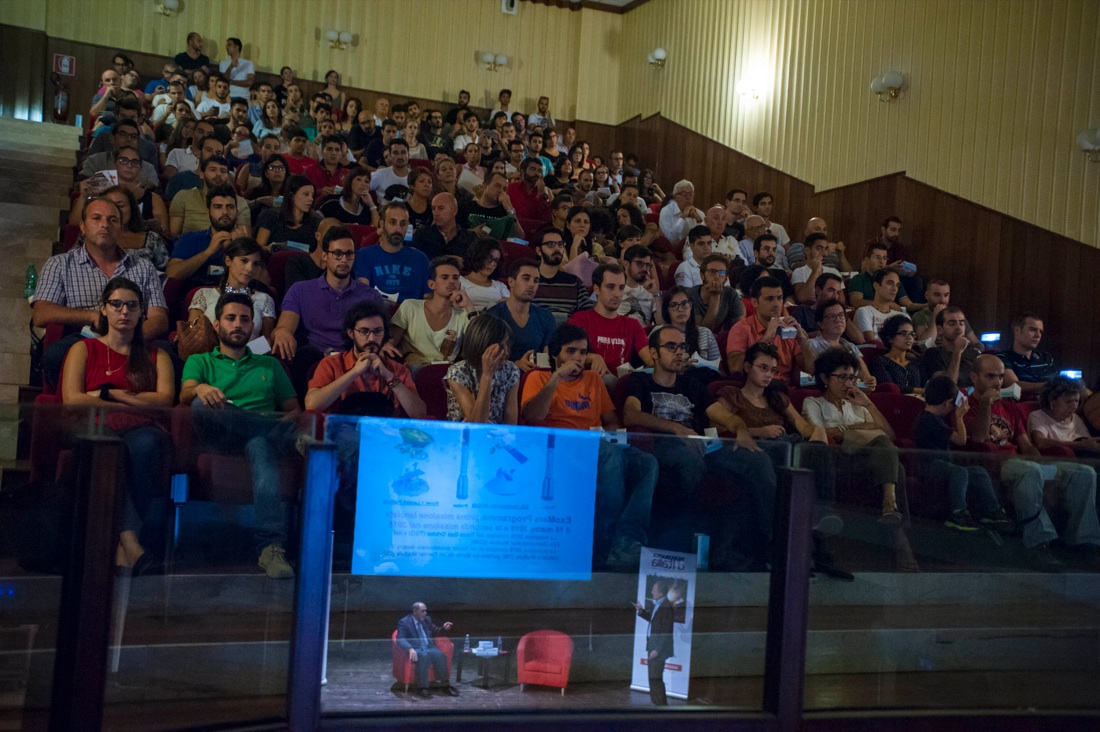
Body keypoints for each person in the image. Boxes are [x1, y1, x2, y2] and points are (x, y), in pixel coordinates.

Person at [624, 326, 778, 571]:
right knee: (687, 457)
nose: (679, 352)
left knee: (757, 460)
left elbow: (725, 417)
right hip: (663, 447)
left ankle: (769, 544)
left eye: (683, 347)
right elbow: (631, 414)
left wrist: (740, 428)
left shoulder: (692, 385)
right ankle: (687, 544)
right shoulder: (639, 380)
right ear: (653, 353)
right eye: (671, 346)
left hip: (703, 447)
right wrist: (675, 428)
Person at [181, 293, 300, 579]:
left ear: (252, 327)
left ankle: (270, 548)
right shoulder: (200, 361)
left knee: (260, 445)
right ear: (217, 323)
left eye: (245, 319)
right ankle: (289, 437)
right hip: (219, 436)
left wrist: (274, 427)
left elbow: (295, 410)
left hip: (259, 442)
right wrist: (200, 389)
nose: (238, 325)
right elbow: (185, 395)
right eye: (231, 318)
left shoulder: (269, 365)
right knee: (201, 404)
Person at [61, 277, 175, 574]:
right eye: (116, 304)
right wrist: (131, 399)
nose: (124, 311)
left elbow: (164, 400)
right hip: (94, 426)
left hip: (143, 429)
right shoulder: (83, 349)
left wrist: (106, 393)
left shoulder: (157, 355)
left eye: (132, 305)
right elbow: (73, 399)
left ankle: (123, 545)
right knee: (106, 444)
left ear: (141, 312)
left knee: (146, 444)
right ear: (103, 308)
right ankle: (129, 541)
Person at [521, 323, 655, 568]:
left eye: (583, 352)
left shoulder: (593, 379)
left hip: (597, 445)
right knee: (609, 455)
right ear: (555, 354)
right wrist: (556, 378)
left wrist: (614, 435)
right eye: (571, 351)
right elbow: (533, 416)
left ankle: (626, 539)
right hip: (559, 449)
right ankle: (603, 544)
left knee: (647, 462)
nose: (578, 358)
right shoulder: (538, 377)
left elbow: (612, 421)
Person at [966, 355, 1100, 571]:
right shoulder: (967, 402)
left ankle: (1084, 542)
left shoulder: (1009, 407)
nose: (997, 382)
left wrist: (1044, 464)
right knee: (1030, 471)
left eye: (1000, 377)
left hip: (1021, 462)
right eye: (990, 376)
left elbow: (1026, 444)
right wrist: (985, 405)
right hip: (996, 463)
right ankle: (1038, 543)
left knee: (1083, 472)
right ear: (974, 377)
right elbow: (979, 439)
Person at [34, 198, 169, 388]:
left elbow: (159, 318)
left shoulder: (143, 266)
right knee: (56, 355)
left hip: (134, 336)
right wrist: (92, 316)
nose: (105, 225)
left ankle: (142, 411)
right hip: (86, 336)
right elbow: (41, 313)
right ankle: (78, 409)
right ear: (82, 226)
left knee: (170, 357)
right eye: (96, 218)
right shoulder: (60, 264)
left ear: (120, 227)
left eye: (113, 220)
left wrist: (128, 338)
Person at [802, 348, 910, 528]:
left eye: (852, 378)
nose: (848, 383)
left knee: (891, 458)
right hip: (836, 460)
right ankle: (900, 536)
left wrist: (868, 404)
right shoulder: (813, 403)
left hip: (865, 460)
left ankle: (890, 509)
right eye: (842, 377)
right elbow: (818, 432)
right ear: (824, 378)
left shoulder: (858, 404)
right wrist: (856, 428)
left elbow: (889, 435)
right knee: (895, 467)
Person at [272, 226, 386, 393]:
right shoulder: (300, 290)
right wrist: (282, 331)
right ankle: (306, 412)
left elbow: (379, 335)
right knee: (305, 355)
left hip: (354, 357)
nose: (344, 260)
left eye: (349, 254)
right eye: (337, 254)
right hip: (314, 358)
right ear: (325, 255)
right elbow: (284, 327)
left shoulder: (370, 296)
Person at [912, 375, 1009, 532]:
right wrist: (959, 416)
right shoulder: (929, 420)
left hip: (943, 462)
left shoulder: (933, 418)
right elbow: (961, 440)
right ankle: (958, 514)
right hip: (928, 464)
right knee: (960, 472)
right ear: (948, 403)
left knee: (979, 472)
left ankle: (992, 511)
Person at [305, 302, 426, 418]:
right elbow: (312, 405)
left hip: (384, 435)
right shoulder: (331, 364)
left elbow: (420, 413)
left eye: (378, 331)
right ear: (351, 333)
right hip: (340, 434)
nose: (371, 338)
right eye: (364, 331)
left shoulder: (397, 369)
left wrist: (389, 377)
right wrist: (354, 372)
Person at [384, 256, 474, 367]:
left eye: (455, 278)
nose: (451, 282)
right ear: (431, 284)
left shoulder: (463, 315)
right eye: (445, 277)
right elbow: (391, 343)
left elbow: (480, 344)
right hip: (414, 367)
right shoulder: (410, 306)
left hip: (446, 372)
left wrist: (469, 306)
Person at [568, 264, 653, 377]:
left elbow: (649, 358)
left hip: (622, 385)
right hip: (588, 383)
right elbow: (569, 352)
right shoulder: (580, 320)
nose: (617, 294)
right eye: (610, 287)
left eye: (621, 288)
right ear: (596, 289)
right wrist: (593, 357)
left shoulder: (633, 325)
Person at [187, 237, 275, 345]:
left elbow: (267, 340)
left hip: (249, 359)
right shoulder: (204, 294)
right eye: (244, 260)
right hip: (210, 358)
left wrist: (241, 356)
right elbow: (193, 335)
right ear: (228, 261)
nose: (250, 269)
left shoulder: (264, 299)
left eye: (255, 264)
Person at [166, 184, 251, 293]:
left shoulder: (246, 243)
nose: (225, 212)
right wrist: (208, 251)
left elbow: (264, 282)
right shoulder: (191, 238)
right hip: (197, 297)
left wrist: (240, 251)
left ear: (237, 212)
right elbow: (172, 274)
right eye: (218, 207)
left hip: (237, 297)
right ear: (208, 212)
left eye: (230, 207)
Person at [726, 276, 813, 382]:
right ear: (754, 302)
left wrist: (802, 340)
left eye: (780, 298)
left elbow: (811, 370)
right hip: (754, 384)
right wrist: (765, 339)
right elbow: (735, 368)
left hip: (784, 387)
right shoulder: (741, 328)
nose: (777, 304)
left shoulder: (789, 328)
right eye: (769, 299)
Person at [73, 185, 169, 275]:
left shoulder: (152, 238)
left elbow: (165, 272)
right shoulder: (90, 235)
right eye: (109, 205)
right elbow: (71, 262)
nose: (115, 210)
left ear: (132, 209)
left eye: (120, 206)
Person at [444, 313, 519, 424]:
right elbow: (478, 424)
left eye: (507, 344)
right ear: (482, 344)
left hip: (498, 435)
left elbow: (511, 421)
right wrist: (487, 375)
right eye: (500, 346)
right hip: (465, 435)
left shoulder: (510, 370)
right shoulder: (457, 372)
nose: (506, 351)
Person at [353, 202, 431, 302]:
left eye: (403, 224)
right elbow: (362, 293)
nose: (398, 229)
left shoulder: (421, 259)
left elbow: (428, 299)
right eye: (392, 222)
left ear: (408, 226)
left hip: (411, 314)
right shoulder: (364, 255)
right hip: (376, 312)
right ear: (382, 224)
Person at [486, 259, 557, 368]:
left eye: (536, 280)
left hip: (534, 375)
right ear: (511, 282)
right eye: (526, 278)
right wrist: (516, 364)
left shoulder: (546, 317)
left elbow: (547, 356)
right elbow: (486, 357)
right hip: (500, 375)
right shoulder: (493, 315)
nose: (531, 284)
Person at [169, 154, 251, 236]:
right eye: (213, 170)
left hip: (228, 246)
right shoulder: (183, 197)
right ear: (201, 174)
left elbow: (245, 239)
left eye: (223, 171)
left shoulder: (239, 202)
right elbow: (174, 236)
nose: (218, 174)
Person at [806, 299, 876, 388]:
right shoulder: (812, 344)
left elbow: (865, 377)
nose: (838, 320)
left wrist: (870, 382)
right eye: (832, 316)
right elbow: (813, 375)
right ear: (820, 324)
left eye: (841, 315)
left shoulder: (850, 346)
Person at [395, 602, 459, 698]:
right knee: (424, 657)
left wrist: (443, 628)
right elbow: (400, 638)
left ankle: (445, 685)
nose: (425, 613)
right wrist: (410, 648)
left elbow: (437, 631)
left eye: (425, 611)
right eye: (422, 611)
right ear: (414, 611)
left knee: (441, 656)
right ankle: (423, 688)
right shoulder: (404, 622)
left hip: (429, 647)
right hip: (417, 649)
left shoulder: (427, 620)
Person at [1027, 376, 1100, 458]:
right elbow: (1040, 442)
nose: (1074, 407)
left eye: (1076, 401)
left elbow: (1087, 442)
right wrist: (1078, 445)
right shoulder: (1038, 416)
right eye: (1068, 402)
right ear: (1052, 400)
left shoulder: (1075, 418)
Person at [531, 227, 591, 322]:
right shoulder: (529, 280)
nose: (557, 248)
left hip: (567, 332)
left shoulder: (574, 283)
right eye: (550, 244)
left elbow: (588, 314)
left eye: (560, 244)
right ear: (538, 251)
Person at [919, 306, 987, 389]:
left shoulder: (974, 353)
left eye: (961, 323)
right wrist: (957, 351)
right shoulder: (933, 353)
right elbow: (946, 387)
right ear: (940, 329)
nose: (959, 328)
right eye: (952, 324)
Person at [80, 120, 160, 190]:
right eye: (123, 134)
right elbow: (81, 185)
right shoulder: (95, 160)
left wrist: (149, 187)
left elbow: (155, 192)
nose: (129, 139)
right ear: (112, 138)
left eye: (133, 137)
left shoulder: (149, 168)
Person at [848, 242, 925, 312]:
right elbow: (856, 302)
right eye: (878, 257)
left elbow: (909, 305)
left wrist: (928, 305)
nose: (881, 261)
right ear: (867, 260)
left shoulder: (894, 281)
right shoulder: (859, 279)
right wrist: (885, 304)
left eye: (884, 258)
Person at [632, 579, 675, 706]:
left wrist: (657, 649)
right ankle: (656, 703)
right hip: (652, 645)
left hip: (658, 648)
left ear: (661, 592)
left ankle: (662, 706)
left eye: (654, 590)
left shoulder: (666, 606)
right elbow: (653, 620)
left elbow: (666, 630)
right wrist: (641, 611)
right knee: (652, 677)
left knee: (656, 678)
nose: (652, 592)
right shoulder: (659, 604)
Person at [998, 313, 1060, 393]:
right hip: (1020, 404)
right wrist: (1048, 386)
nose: (1038, 335)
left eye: (1040, 331)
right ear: (1017, 330)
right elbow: (1014, 387)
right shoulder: (1003, 357)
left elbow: (1058, 388)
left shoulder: (1046, 357)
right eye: (1033, 330)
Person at [256, 175, 321, 250]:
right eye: (306, 194)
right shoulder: (270, 216)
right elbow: (258, 249)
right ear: (291, 196)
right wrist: (274, 247)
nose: (311, 199)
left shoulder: (315, 222)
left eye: (312, 195)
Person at [661, 286, 721, 364]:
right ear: (667, 310)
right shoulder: (659, 333)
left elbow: (717, 365)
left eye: (685, 303)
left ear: (691, 306)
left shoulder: (705, 333)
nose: (680, 309)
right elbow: (652, 366)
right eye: (674, 305)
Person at [411, 193, 477, 262]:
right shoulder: (422, 235)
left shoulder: (470, 238)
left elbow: (476, 265)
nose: (435, 213)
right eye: (433, 209)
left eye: (441, 208)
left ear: (454, 210)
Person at [869, 315, 927, 394]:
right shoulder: (879, 361)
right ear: (890, 338)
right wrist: (921, 391)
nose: (909, 337)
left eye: (912, 334)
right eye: (903, 334)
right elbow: (890, 388)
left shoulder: (915, 362)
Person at [687, 254, 744, 334]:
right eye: (712, 272)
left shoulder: (731, 294)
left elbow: (739, 327)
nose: (717, 276)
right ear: (702, 275)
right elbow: (703, 332)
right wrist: (715, 296)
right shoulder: (691, 295)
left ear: (726, 277)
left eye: (722, 272)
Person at [459, 172, 522, 240]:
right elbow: (454, 233)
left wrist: (510, 208)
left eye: (504, 189)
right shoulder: (466, 207)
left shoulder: (506, 212)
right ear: (485, 185)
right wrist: (471, 233)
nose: (501, 191)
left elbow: (520, 237)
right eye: (497, 186)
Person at [854, 269, 909, 343]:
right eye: (890, 283)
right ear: (876, 286)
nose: (895, 289)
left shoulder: (903, 316)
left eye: (897, 285)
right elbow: (872, 342)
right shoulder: (865, 311)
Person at [792, 234, 845, 304]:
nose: (824, 254)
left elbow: (841, 301)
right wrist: (815, 271)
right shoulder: (799, 272)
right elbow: (802, 298)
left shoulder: (834, 272)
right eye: (819, 249)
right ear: (807, 250)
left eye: (826, 249)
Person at [460, 239, 510, 311]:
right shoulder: (459, 281)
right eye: (489, 258)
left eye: (496, 260)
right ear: (478, 256)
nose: (492, 264)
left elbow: (512, 308)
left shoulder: (500, 286)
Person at [617, 245, 660, 328]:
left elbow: (661, 325)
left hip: (643, 336)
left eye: (647, 265)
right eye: (639, 263)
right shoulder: (612, 288)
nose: (644, 268)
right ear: (626, 264)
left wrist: (656, 294)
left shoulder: (651, 293)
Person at [659, 180, 705, 250]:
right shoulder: (666, 211)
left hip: (694, 251)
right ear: (675, 197)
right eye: (684, 194)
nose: (688, 197)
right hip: (671, 251)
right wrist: (683, 217)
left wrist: (699, 220)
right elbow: (670, 239)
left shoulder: (699, 213)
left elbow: (704, 238)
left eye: (691, 194)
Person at [370, 139, 411, 205]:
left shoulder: (416, 177)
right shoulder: (380, 174)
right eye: (395, 153)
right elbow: (362, 187)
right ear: (390, 156)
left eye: (403, 152)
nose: (400, 156)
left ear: (408, 155)